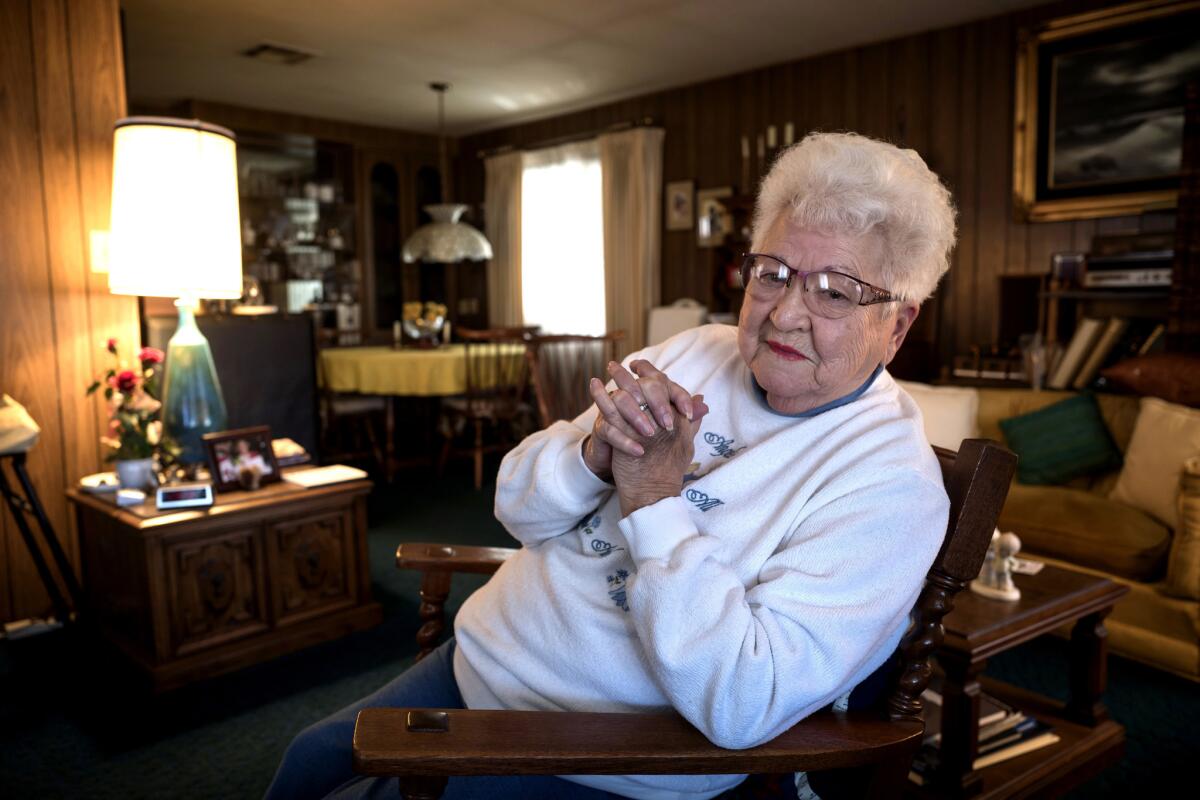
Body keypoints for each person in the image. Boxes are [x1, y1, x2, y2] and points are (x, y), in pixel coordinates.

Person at [266, 131, 957, 800]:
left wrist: (655, 500)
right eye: (771, 274)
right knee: (306, 762)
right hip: (482, 659)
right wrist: (594, 457)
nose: (784, 314)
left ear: (897, 325)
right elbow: (515, 505)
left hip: (604, 753)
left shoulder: (892, 485)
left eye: (834, 291)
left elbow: (745, 701)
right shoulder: (697, 352)